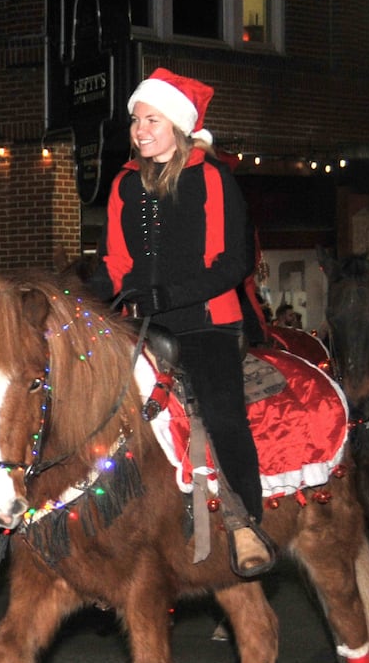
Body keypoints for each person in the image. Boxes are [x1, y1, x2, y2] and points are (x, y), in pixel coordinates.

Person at [98, 67, 274, 578]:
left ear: (177, 123)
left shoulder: (212, 178)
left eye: (151, 118)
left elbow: (231, 263)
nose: (139, 129)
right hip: (141, 327)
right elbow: (114, 265)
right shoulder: (124, 186)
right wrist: (78, 300)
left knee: (221, 414)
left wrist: (169, 295)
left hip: (206, 324)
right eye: (135, 120)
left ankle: (248, 526)